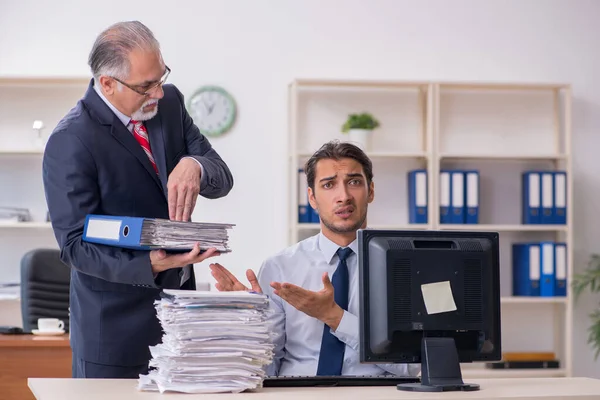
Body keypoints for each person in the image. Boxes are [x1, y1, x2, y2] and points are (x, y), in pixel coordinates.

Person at [42, 21, 234, 379]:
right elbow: (74, 247)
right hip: (114, 334)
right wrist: (153, 263)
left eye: (161, 78)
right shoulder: (70, 140)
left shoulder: (170, 104)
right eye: (147, 86)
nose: (158, 93)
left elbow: (222, 179)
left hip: (181, 323)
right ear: (107, 84)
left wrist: (195, 165)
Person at [210, 140, 419, 377]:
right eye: (329, 185)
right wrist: (249, 323)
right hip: (297, 393)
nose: (343, 196)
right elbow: (265, 371)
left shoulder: (402, 268)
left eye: (354, 182)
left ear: (370, 191)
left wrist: (334, 317)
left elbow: (411, 367)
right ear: (312, 198)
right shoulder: (279, 268)